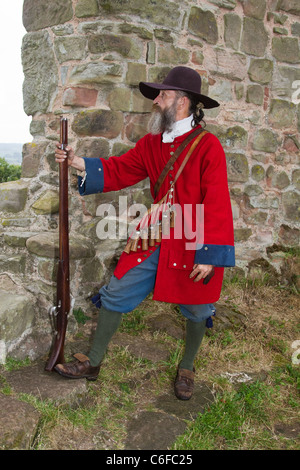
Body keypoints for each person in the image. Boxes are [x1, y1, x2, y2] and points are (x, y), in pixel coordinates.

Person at [54, 66, 235, 400]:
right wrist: (77, 162)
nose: (156, 103)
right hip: (154, 234)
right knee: (117, 289)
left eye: (162, 96)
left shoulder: (209, 147)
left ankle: (187, 367)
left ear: (182, 102)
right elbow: (121, 169)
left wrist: (209, 256)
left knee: (197, 307)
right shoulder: (153, 144)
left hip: (195, 237)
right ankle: (93, 362)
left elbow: (218, 203)